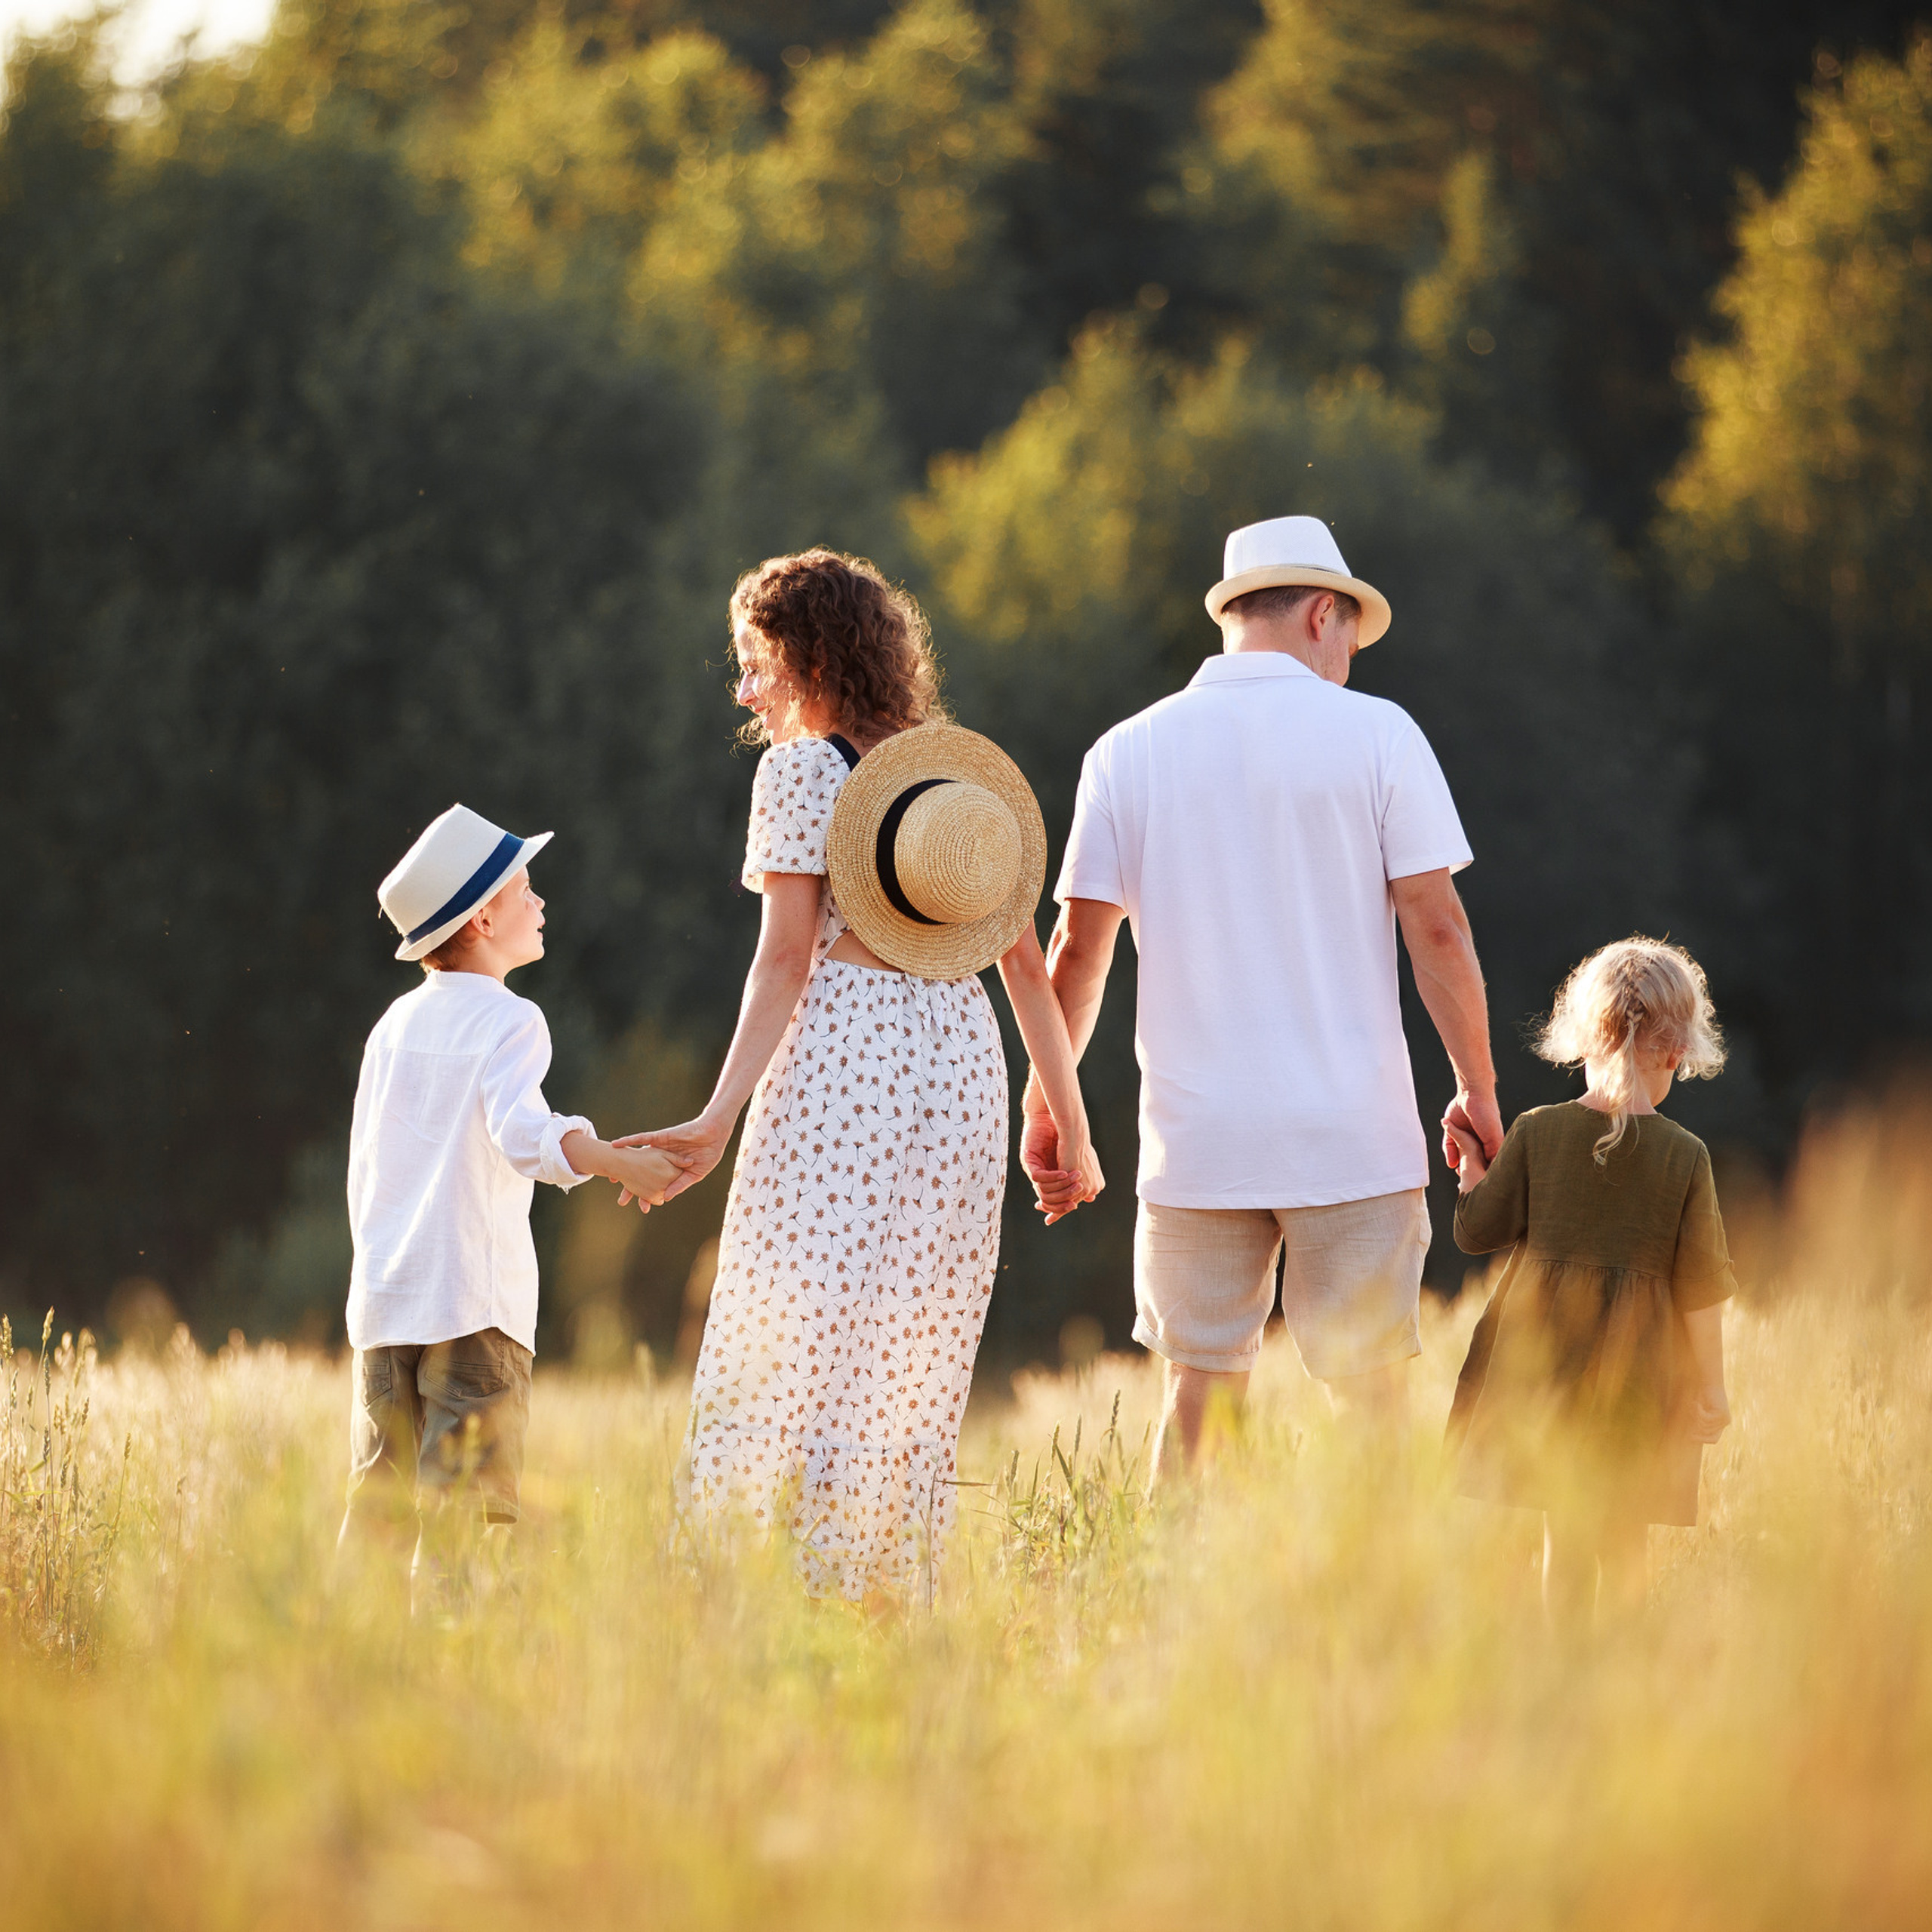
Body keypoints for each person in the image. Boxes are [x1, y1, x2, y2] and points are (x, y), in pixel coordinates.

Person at [624, 549, 1101, 1611]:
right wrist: (1074, 1126)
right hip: (960, 1061)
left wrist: (714, 1117)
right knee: (910, 1335)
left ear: (807, 656)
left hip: (848, 1057)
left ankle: (753, 1588)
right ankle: (878, 1592)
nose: (747, 691)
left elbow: (786, 958)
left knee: (791, 1318)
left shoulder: (798, 773)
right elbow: (1026, 967)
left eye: (755, 663)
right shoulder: (963, 776)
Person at [1026, 515, 1499, 1476]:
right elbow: (1438, 927)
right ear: (1323, 614)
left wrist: (1051, 1101)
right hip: (1352, 1137)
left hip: (1198, 1144)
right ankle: (1369, 1612)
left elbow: (1076, 950)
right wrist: (1476, 1087)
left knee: (1195, 1398)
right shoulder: (1380, 734)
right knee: (1370, 1401)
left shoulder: (1125, 750)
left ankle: (1165, 1606)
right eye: (1351, 646)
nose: (1349, 666)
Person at [338, 804, 681, 1613]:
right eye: (526, 889)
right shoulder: (510, 1019)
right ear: (484, 915)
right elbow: (524, 1134)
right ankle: (445, 1668)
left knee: (380, 1507)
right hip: (473, 1308)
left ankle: (346, 1668)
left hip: (386, 1309)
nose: (540, 903)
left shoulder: (391, 1027)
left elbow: (368, 1168)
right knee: (462, 1513)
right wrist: (613, 1159)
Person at [1444, 937, 1735, 1632]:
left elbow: (1476, 1230)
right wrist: (1713, 1385)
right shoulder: (1686, 1156)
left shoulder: (1536, 1132)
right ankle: (1624, 1669)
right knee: (1625, 1534)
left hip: (1547, 1368)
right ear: (1674, 1052)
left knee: (1565, 1536)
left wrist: (1472, 1171)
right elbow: (1701, 1289)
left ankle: (1564, 1667)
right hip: (1639, 1374)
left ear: (1583, 1039)